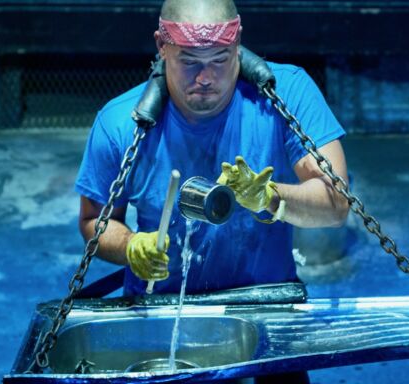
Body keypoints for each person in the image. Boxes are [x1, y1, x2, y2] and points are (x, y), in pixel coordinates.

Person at [75, 0, 348, 298]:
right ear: (161, 47)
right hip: (159, 304)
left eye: (219, 59)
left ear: (238, 42)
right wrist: (131, 246)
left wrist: (270, 196)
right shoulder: (120, 124)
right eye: (190, 61)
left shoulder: (288, 93)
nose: (205, 78)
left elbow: (336, 205)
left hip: (265, 301)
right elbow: (93, 222)